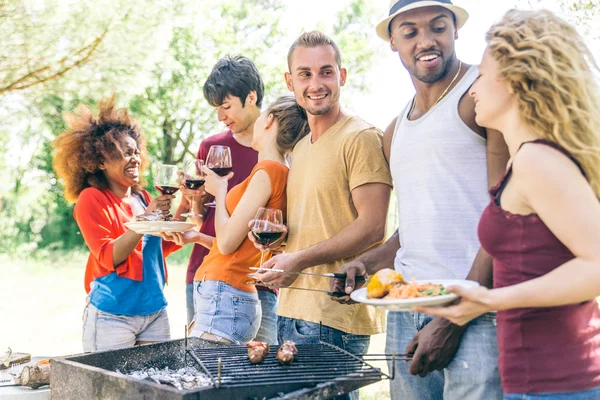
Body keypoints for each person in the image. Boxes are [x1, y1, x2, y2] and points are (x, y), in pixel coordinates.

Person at [416, 9, 600, 399]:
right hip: (531, 381)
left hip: (561, 383)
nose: (474, 88)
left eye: (481, 75)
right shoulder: (523, 161)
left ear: (515, 80)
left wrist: (489, 300)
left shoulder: (538, 160)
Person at [334, 1, 509, 399]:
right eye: (410, 32)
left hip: (477, 312)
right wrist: (368, 262)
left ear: (456, 31)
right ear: (393, 42)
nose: (426, 41)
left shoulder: (481, 96)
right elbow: (414, 227)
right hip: (405, 311)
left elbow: (510, 211)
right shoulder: (395, 130)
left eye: (438, 27)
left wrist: (453, 320)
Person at [252, 31, 392, 400]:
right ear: (289, 81)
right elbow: (315, 222)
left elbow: (373, 224)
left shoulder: (360, 137)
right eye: (305, 74)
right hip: (292, 305)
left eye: (325, 72)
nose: (316, 84)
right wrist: (278, 241)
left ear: (342, 76)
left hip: (335, 312)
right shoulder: (299, 148)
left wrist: (299, 259)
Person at [164, 95, 310, 344]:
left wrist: (220, 189)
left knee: (203, 377)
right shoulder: (281, 172)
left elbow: (228, 243)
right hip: (227, 295)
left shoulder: (267, 171)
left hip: (225, 295)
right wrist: (199, 237)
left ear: (269, 121)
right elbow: (240, 246)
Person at [52, 96, 181, 352]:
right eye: (124, 153)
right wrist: (145, 220)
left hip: (154, 312)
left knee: (154, 387)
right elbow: (109, 257)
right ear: (100, 162)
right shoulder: (91, 198)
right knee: (111, 389)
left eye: (135, 152)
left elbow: (156, 250)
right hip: (113, 316)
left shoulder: (143, 198)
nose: (134, 159)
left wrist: (188, 203)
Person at [174, 55, 279, 344]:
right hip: (210, 277)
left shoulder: (278, 150)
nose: (220, 116)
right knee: (208, 372)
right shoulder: (212, 146)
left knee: (262, 377)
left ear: (251, 97)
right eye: (217, 108)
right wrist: (192, 199)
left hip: (261, 282)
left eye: (226, 106)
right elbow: (199, 215)